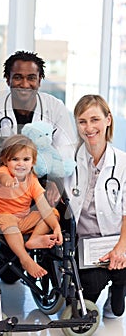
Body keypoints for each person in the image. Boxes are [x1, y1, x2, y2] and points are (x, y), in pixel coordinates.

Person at [65, 94, 126, 319]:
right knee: (86, 297)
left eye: (95, 119)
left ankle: (118, 289)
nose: (89, 127)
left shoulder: (123, 162)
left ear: (108, 120)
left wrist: (120, 248)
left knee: (116, 311)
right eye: (82, 121)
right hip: (85, 243)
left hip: (118, 240)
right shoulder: (68, 157)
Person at [0, 134, 63, 279]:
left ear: (33, 162)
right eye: (15, 159)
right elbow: (3, 178)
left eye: (26, 159)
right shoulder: (3, 172)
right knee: (8, 220)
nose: (21, 164)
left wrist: (56, 227)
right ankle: (25, 259)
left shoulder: (32, 180)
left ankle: (34, 239)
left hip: (22, 220)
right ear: (5, 160)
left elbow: (43, 207)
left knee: (52, 212)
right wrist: (9, 182)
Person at [0, 50, 76, 158]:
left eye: (31, 78)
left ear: (39, 80)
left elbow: (66, 154)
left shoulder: (55, 109)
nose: (25, 84)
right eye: (18, 77)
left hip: (47, 174)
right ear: (8, 79)